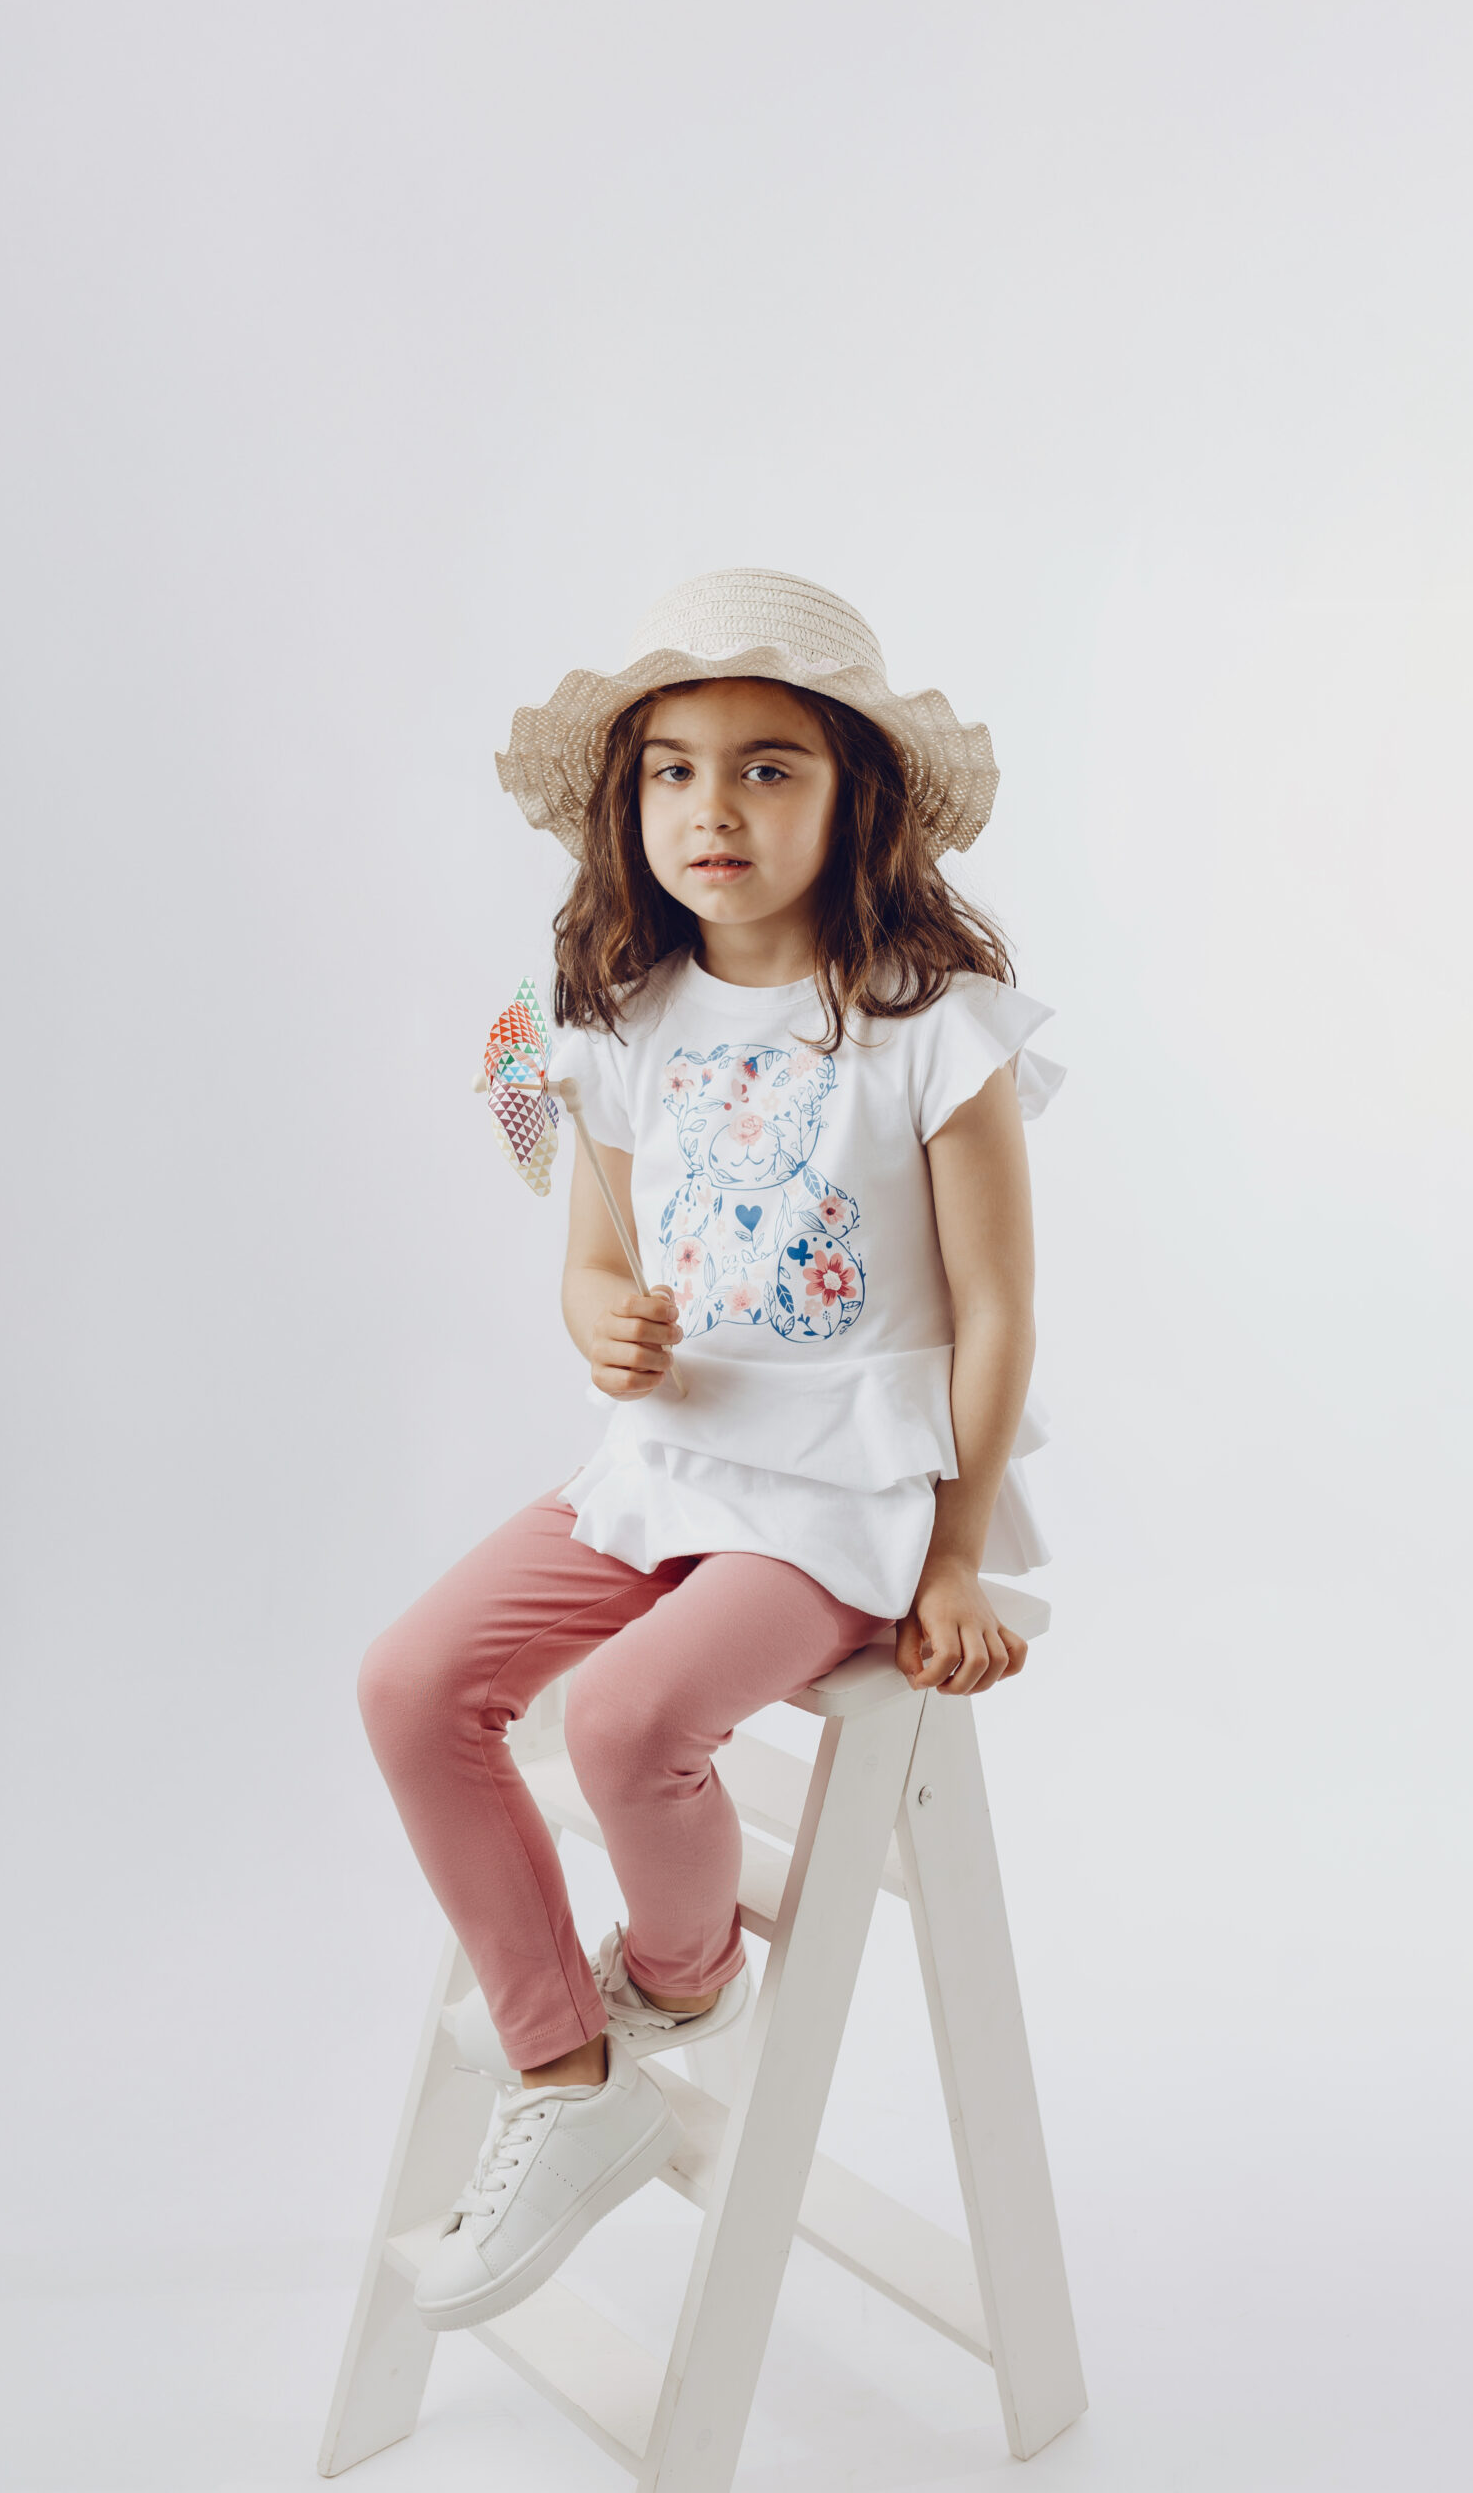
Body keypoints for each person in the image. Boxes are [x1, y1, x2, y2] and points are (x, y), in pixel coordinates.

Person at [358, 567, 1063, 2333]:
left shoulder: (928, 1027)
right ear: (629, 803)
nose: (712, 807)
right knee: (412, 1684)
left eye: (767, 767)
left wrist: (957, 1554)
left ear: (854, 797)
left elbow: (998, 1313)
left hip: (843, 1497)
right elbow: (592, 1259)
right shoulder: (614, 1018)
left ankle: (677, 1985)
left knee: (621, 1720)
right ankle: (567, 2070)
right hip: (666, 1464)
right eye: (673, 770)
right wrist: (601, 1319)